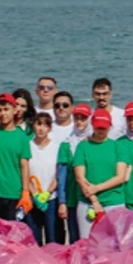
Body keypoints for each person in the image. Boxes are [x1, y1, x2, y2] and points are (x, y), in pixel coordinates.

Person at [72, 109, 129, 237]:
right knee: (86, 242)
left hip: (114, 201)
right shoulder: (83, 146)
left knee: (115, 243)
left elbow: (120, 177)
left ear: (110, 127)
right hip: (88, 202)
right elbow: (80, 177)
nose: (101, 131)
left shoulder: (118, 146)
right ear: (92, 124)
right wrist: (95, 201)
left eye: (104, 128)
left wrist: (97, 188)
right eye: (98, 127)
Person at [0, 94, 32, 224]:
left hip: (14, 191)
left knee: (10, 233)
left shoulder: (22, 137)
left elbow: (24, 166)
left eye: (6, 109)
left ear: (15, 110)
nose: (3, 113)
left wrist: (25, 192)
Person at [58, 103, 91, 242]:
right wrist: (62, 201)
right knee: (75, 238)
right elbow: (62, 175)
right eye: (76, 118)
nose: (79, 122)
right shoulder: (66, 144)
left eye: (83, 118)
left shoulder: (95, 142)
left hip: (90, 198)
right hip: (73, 199)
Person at [27, 112, 62, 244]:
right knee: (34, 238)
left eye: (45, 125)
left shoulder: (56, 147)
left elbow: (58, 174)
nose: (41, 128)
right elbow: (25, 173)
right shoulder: (27, 145)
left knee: (52, 237)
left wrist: (48, 193)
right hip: (32, 198)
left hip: (51, 198)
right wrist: (35, 194)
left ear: (50, 128)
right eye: (38, 124)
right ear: (33, 126)